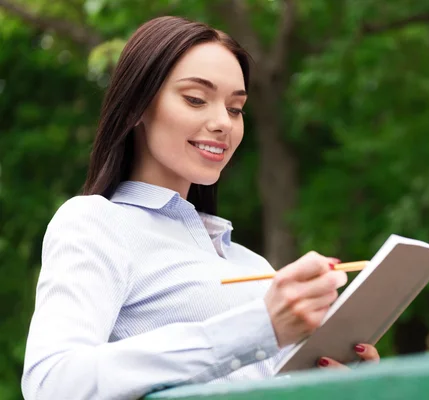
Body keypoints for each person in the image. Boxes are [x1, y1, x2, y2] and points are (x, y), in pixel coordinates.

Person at [21, 16, 380, 400]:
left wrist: (332, 385)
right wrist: (257, 328)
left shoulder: (255, 268)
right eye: (195, 99)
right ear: (137, 105)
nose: (223, 122)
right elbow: (52, 384)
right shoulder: (97, 222)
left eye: (236, 108)